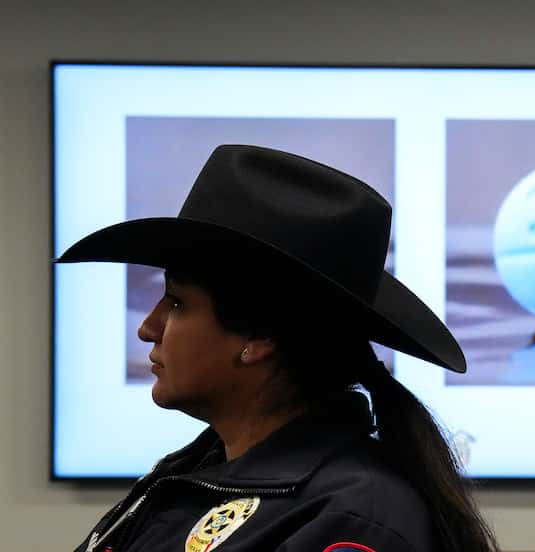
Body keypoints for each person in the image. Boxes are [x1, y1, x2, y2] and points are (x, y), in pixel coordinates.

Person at [57, 145, 500, 552]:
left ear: (258, 338)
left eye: (176, 302)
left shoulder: (353, 518)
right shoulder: (186, 476)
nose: (149, 328)